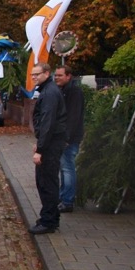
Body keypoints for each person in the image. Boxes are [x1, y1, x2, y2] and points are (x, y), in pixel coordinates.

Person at [29, 62, 67, 234]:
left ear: (46, 73)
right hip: (50, 143)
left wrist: (40, 149)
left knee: (46, 183)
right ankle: (49, 217)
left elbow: (47, 122)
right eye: (32, 75)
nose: (34, 77)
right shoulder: (47, 90)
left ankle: (49, 221)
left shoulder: (49, 93)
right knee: (46, 181)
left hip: (51, 146)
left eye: (37, 74)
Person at [54, 66, 85, 213]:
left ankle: (67, 201)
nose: (57, 78)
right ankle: (63, 197)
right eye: (56, 75)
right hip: (64, 137)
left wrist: (66, 138)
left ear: (68, 76)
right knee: (63, 168)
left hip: (70, 138)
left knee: (67, 168)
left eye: (60, 75)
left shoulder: (74, 92)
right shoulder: (64, 90)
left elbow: (73, 117)